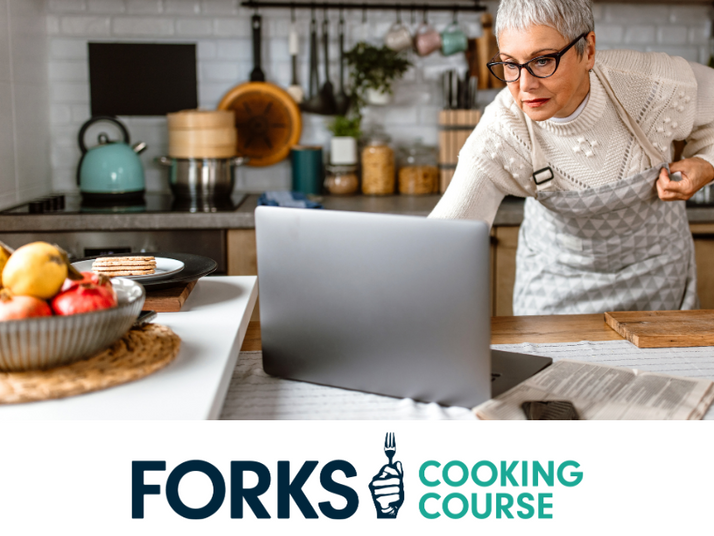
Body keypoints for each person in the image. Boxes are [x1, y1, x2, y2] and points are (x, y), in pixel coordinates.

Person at [430, 0, 714, 315]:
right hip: (555, 286)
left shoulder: (648, 86)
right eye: (511, 64)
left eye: (543, 61)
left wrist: (707, 163)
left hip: (659, 282)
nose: (525, 86)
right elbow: (442, 241)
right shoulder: (502, 130)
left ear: (588, 50)